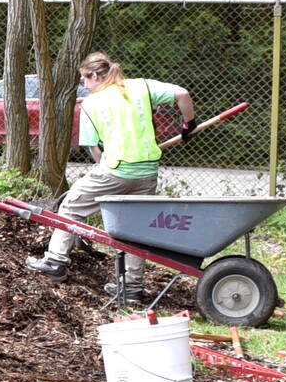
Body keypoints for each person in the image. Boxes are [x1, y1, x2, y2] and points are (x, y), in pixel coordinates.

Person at [26, 52, 197, 297]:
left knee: (71, 207)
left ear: (95, 75)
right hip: (147, 172)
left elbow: (94, 149)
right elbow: (182, 94)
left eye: (85, 79)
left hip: (114, 171)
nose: (84, 85)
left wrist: (105, 169)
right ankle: (132, 288)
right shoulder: (142, 87)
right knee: (135, 229)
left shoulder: (91, 104)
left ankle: (55, 262)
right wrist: (188, 124)